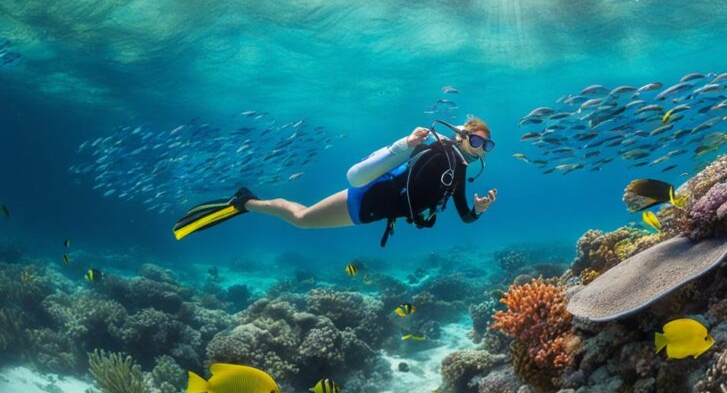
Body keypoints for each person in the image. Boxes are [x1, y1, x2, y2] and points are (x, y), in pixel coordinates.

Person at [173, 117, 498, 247]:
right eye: (476, 141)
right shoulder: (438, 152)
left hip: (374, 212)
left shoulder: (457, 173)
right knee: (301, 219)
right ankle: (244, 202)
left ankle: (245, 201)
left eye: (487, 146)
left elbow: (465, 216)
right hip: (365, 199)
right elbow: (363, 172)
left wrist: (479, 209)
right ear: (462, 136)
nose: (481, 149)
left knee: (304, 219)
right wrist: (408, 142)